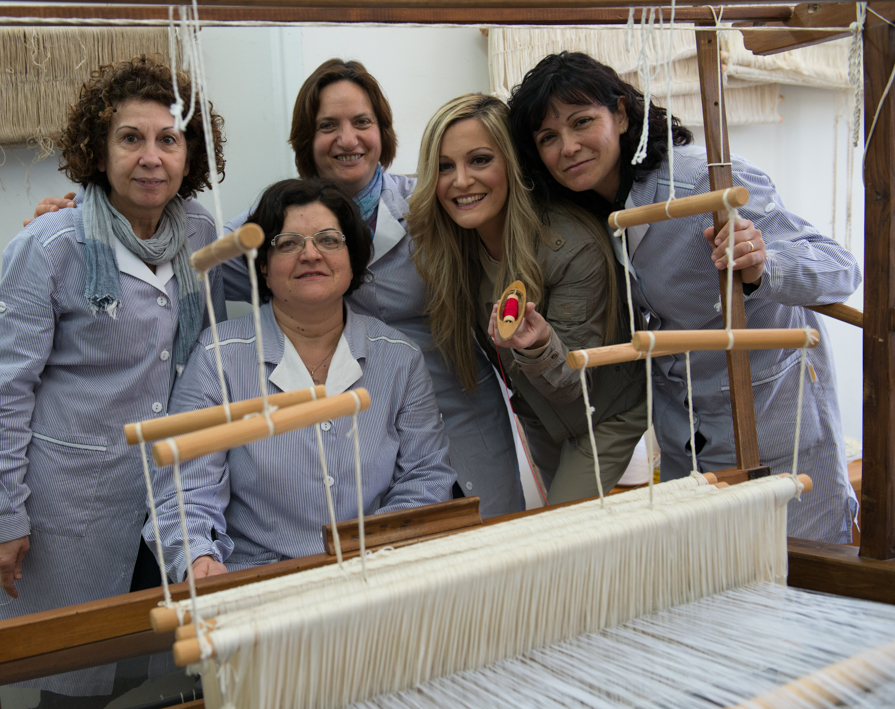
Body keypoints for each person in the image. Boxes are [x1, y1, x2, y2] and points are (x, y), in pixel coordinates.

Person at [34, 59, 525, 517]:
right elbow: (186, 248)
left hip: (461, 416)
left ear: (383, 132)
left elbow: (507, 221)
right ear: (305, 141)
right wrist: (92, 210)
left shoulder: (432, 201)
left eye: (361, 122)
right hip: (354, 439)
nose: (347, 139)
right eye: (327, 126)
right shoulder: (273, 221)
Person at [507, 51, 861, 543]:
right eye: (548, 137)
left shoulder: (703, 180)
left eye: (582, 122)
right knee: (705, 593)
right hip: (684, 446)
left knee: (799, 587)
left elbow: (841, 267)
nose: (568, 147)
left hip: (777, 431)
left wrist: (763, 266)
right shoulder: (584, 217)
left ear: (623, 114)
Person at [0, 55, 226, 702]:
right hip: (73, 505)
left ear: (190, 155)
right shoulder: (51, 245)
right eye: (130, 138)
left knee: (171, 678)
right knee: (75, 681)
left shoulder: (200, 231)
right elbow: (4, 392)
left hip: (173, 495)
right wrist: (1, 517)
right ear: (98, 149)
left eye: (169, 139)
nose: (151, 157)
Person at [146, 178, 456, 578]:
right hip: (259, 584)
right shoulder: (217, 358)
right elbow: (184, 491)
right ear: (263, 265)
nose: (311, 254)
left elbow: (426, 476)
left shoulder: (400, 359)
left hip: (377, 575)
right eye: (289, 243)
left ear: (352, 258)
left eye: (329, 240)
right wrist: (199, 558)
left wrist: (377, 553)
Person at [409, 93, 646, 505]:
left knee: (558, 541)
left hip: (606, 413)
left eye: (480, 160)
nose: (461, 181)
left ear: (513, 163)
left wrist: (537, 346)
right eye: (445, 166)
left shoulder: (571, 247)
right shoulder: (455, 249)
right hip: (543, 416)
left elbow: (576, 382)